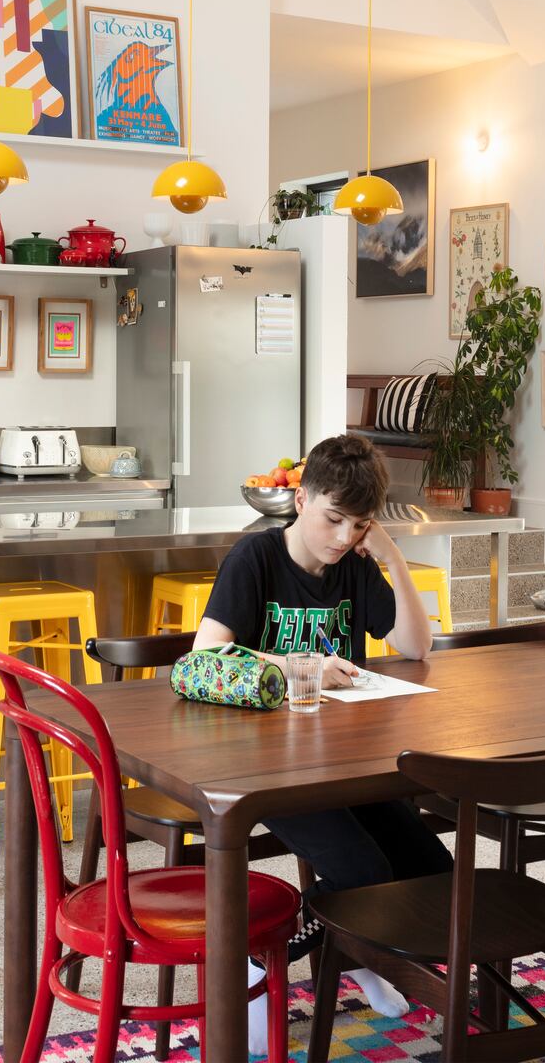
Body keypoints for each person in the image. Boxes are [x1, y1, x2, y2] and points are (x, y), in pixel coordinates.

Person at [194, 433, 453, 1055]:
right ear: (302, 498)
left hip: (343, 760)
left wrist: (390, 558)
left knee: (431, 871)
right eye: (333, 518)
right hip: (263, 766)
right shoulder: (255, 559)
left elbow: (417, 648)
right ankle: (256, 967)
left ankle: (353, 955)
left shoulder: (357, 568)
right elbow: (206, 653)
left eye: (358, 525)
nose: (341, 538)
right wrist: (293, 665)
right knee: (362, 871)